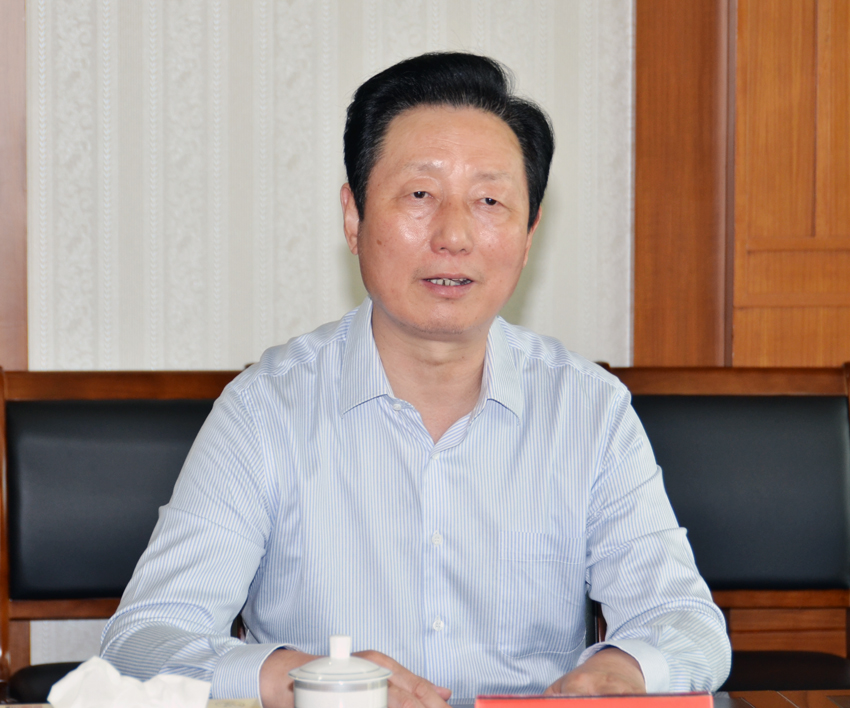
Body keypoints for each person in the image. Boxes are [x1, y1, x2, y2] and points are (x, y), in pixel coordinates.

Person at [101, 52, 731, 706]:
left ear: (528, 234)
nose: (453, 235)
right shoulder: (267, 408)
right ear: (354, 217)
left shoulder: (587, 409)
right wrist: (305, 679)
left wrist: (626, 670)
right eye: (420, 195)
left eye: (490, 201)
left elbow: (685, 621)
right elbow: (143, 642)